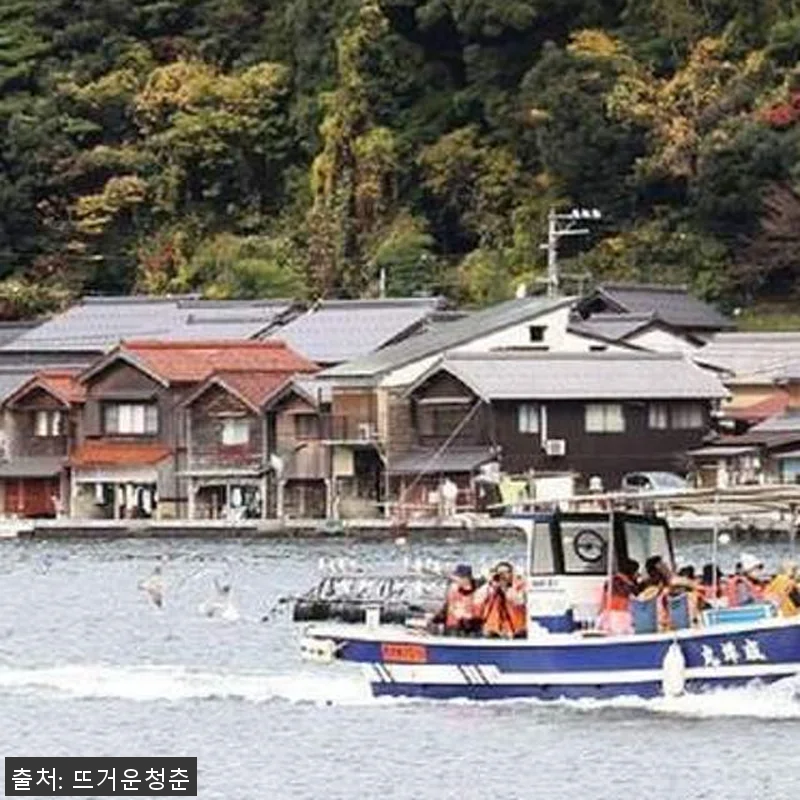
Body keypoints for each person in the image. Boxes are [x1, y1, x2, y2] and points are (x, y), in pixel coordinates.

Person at [476, 561, 526, 639]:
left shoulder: (518, 588)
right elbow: (477, 599)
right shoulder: (490, 588)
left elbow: (519, 601)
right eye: (500, 573)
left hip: (515, 633)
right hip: (493, 633)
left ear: (512, 574)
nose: (503, 576)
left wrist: (504, 588)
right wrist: (490, 583)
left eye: (506, 572)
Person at [431, 564, 482, 636]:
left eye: (457, 577)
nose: (455, 580)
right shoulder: (453, 588)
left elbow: (479, 612)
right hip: (451, 627)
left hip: (469, 629)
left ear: (465, 578)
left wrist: (467, 616)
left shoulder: (477, 591)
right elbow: (447, 607)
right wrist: (435, 618)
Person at [599, 558, 640, 635]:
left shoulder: (611, 581)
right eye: (636, 571)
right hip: (619, 617)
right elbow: (636, 594)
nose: (637, 574)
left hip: (606, 615)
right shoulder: (624, 584)